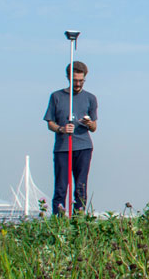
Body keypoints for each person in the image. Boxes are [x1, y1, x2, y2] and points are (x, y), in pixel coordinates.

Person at [43, 60, 98, 215]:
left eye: (81, 81)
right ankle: (58, 219)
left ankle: (79, 218)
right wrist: (61, 128)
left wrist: (89, 123)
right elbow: (50, 123)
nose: (78, 84)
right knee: (61, 186)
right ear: (68, 77)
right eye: (75, 81)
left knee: (81, 186)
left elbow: (94, 127)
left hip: (83, 147)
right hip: (63, 148)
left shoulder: (90, 98)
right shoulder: (56, 97)